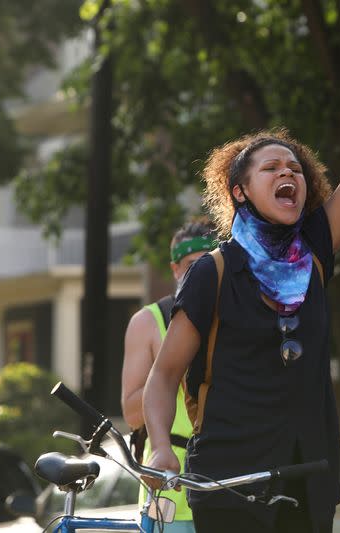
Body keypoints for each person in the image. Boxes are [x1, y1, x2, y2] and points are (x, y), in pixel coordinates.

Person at [142, 10, 340, 533]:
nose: (288, 172)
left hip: (308, 476)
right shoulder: (214, 271)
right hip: (229, 480)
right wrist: (161, 448)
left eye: (294, 167)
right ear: (240, 190)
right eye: (271, 168)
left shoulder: (316, 250)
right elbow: (161, 377)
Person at [121, 218, 217, 533]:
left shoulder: (237, 317)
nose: (200, 274)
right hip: (169, 483)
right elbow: (132, 414)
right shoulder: (149, 321)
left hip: (226, 476)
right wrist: (172, 368)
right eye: (191, 265)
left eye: (208, 264)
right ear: (175, 269)